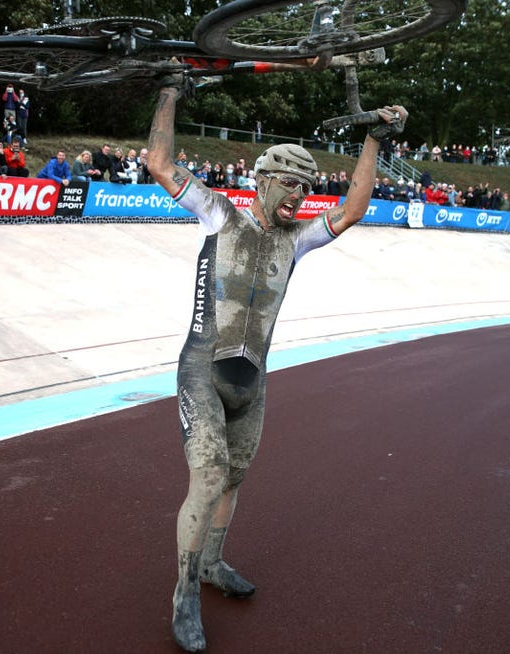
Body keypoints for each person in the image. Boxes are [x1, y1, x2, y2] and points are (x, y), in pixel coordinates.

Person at [147, 72, 406, 652]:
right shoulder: (220, 215)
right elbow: (161, 164)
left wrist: (374, 138)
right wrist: (169, 95)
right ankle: (184, 595)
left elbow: (356, 206)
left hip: (253, 380)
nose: (298, 196)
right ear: (261, 180)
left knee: (234, 478)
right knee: (210, 474)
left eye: (305, 187)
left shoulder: (299, 240)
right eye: (289, 183)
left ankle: (212, 566)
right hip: (203, 369)